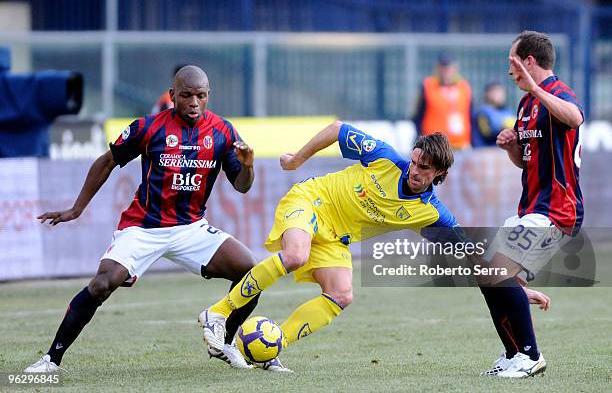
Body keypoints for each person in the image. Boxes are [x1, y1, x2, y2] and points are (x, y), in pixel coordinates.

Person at [199, 121, 550, 372]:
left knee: (341, 295)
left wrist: (516, 288)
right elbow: (337, 129)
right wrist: (296, 161)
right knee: (294, 255)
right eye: (413, 161)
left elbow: (469, 256)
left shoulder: (431, 213)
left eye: (423, 167)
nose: (413, 169)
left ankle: (274, 347)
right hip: (310, 200)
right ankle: (218, 312)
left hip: (335, 237)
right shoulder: (384, 157)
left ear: (439, 174)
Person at [25, 66, 261, 372]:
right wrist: (77, 208)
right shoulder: (148, 128)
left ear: (208, 96)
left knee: (252, 273)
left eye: (200, 96)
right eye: (187, 95)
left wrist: (248, 166)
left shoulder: (223, 131)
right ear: (173, 95)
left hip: (191, 228)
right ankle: (51, 360)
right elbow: (107, 161)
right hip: (144, 227)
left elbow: (242, 186)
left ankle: (224, 342)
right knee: (100, 286)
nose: (194, 102)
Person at [478, 30, 584, 378]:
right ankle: (513, 355)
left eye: (512, 62)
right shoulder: (526, 104)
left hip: (557, 209)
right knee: (487, 272)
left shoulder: (556, 93)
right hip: (532, 207)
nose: (509, 72)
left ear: (529, 62)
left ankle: (530, 355)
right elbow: (528, 161)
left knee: (498, 270)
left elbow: (575, 118)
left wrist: (536, 88)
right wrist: (512, 147)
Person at [413, 53, 473, 149]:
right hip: (435, 146)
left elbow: (470, 115)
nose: (446, 72)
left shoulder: (464, 87)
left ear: (455, 69)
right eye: (443, 68)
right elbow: (417, 115)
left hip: (461, 145)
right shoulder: (428, 86)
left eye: (449, 68)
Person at [471, 82, 515, 147]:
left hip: (503, 152)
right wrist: (503, 126)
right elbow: (486, 132)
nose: (500, 95)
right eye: (496, 92)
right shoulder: (482, 112)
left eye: (501, 92)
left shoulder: (508, 111)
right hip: (484, 152)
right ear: (488, 94)